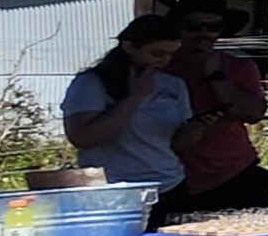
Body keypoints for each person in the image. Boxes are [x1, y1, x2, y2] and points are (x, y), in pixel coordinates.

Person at [161, 0, 268, 219]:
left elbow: (253, 113)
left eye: (212, 27)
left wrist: (215, 75)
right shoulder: (157, 68)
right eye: (193, 26)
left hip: (234, 174)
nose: (203, 34)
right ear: (178, 28)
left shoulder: (238, 67)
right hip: (171, 177)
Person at [62, 14, 193, 195]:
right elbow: (82, 138)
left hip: (169, 183)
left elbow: (177, 142)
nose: (165, 60)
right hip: (113, 187)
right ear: (129, 47)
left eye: (171, 54)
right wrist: (134, 98)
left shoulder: (173, 84)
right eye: (157, 53)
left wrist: (199, 127)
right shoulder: (91, 83)